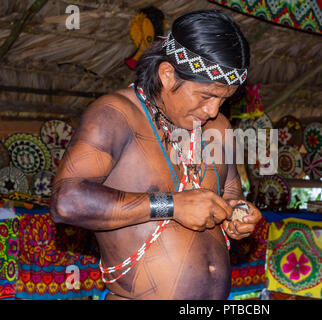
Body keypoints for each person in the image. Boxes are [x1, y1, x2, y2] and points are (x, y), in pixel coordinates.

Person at [50, 10, 262, 300]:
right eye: (206, 97)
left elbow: (229, 193)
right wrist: (172, 206)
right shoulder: (117, 114)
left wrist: (238, 215)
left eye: (224, 99)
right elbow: (67, 202)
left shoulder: (219, 128)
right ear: (167, 75)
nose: (214, 111)